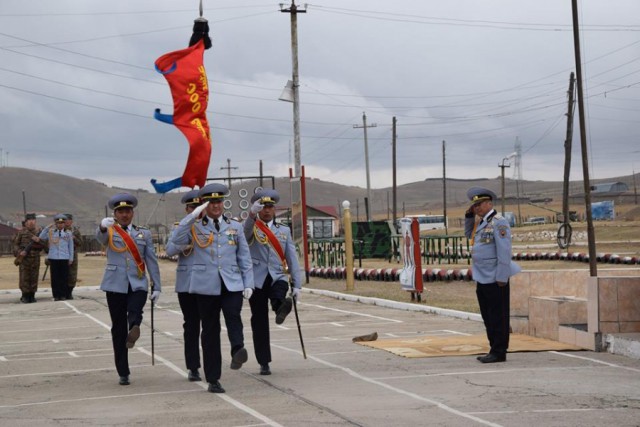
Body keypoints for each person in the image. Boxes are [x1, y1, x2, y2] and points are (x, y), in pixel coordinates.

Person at [168, 183, 254, 394]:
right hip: (205, 287)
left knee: (233, 314)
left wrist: (248, 282)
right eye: (211, 202)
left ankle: (237, 348)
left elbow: (244, 257)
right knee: (210, 331)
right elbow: (173, 244)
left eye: (218, 201)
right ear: (204, 205)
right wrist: (192, 217)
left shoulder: (234, 226)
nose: (216, 206)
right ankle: (213, 378)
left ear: (223, 203)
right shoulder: (194, 226)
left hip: (231, 282)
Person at [96, 193, 162, 385]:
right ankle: (123, 371)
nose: (124, 215)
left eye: (127, 211)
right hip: (115, 283)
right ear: (115, 213)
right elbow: (100, 239)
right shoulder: (109, 230)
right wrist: (102, 226)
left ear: (132, 213)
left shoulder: (144, 233)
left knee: (135, 309)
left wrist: (156, 285)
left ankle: (135, 326)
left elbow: (151, 260)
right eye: (120, 211)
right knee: (118, 327)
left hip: (137, 282)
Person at [243, 189, 302, 375]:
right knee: (259, 320)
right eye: (263, 207)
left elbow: (291, 257)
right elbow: (244, 238)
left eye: (270, 207)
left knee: (279, 294)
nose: (267, 210)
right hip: (257, 279)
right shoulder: (251, 226)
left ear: (274, 209)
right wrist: (251, 215)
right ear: (258, 209)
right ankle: (264, 361)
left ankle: (281, 308)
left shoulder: (283, 230)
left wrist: (297, 284)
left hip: (277, 275)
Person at [464, 187, 520, 364]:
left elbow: (504, 251)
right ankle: (493, 348)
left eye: (479, 204)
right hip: (482, 276)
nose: (477, 208)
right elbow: (468, 235)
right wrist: (468, 218)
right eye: (475, 205)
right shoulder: (481, 223)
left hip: (496, 277)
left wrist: (502, 277)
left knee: (498, 315)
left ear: (489, 203)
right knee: (487, 315)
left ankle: (499, 351)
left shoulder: (499, 222)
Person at [165, 189, 203, 382]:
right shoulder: (179, 228)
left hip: (207, 282)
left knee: (210, 325)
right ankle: (193, 366)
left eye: (199, 206)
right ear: (187, 209)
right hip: (187, 284)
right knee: (191, 326)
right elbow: (170, 250)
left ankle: (212, 362)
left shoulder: (210, 226)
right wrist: (185, 243)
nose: (196, 210)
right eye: (192, 207)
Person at [39, 214, 74, 301]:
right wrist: (47, 228)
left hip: (64, 257)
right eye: (58, 223)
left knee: (63, 277)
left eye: (62, 223)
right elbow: (41, 237)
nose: (60, 225)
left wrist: (71, 258)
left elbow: (71, 246)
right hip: (54, 257)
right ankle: (56, 295)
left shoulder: (68, 234)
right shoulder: (51, 232)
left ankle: (63, 294)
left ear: (64, 224)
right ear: (55, 224)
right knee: (55, 278)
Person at [12, 213, 45, 303]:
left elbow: (45, 245)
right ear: (26, 222)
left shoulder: (40, 232)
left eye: (33, 220)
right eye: (29, 221)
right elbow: (15, 245)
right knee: (24, 277)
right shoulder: (21, 233)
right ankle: (25, 295)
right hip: (24, 259)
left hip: (35, 258)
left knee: (34, 276)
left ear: (35, 221)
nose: (31, 222)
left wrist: (39, 240)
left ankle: (32, 295)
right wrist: (19, 252)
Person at [64, 214, 83, 300]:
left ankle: (69, 292)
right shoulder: (60, 230)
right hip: (63, 254)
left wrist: (74, 238)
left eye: (68, 220)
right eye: (65, 220)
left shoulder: (75, 231)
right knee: (63, 273)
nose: (67, 222)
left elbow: (81, 243)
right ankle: (63, 292)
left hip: (73, 254)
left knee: (72, 274)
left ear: (71, 221)